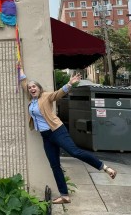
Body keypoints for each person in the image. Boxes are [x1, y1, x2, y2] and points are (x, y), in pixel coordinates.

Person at [20, 69, 117, 204]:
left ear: (39, 88)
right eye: (30, 88)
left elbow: (58, 94)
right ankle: (64, 195)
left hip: (57, 131)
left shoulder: (46, 96)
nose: (31, 88)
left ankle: (105, 168)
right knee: (54, 165)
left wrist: (70, 83)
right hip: (46, 136)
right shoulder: (32, 100)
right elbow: (24, 83)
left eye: (34, 86)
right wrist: (20, 69)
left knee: (74, 152)